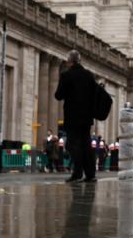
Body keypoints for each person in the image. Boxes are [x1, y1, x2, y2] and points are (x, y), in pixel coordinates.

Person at [54, 49, 97, 183]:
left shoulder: (66, 75)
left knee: (73, 145)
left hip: (73, 117)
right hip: (86, 117)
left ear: (69, 62)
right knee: (86, 144)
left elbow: (58, 95)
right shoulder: (89, 75)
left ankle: (77, 173)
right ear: (79, 61)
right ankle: (90, 174)